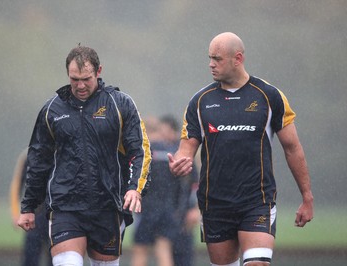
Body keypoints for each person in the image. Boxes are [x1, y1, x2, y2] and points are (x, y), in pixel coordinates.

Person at [167, 32, 314, 266]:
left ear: (238, 58)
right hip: (215, 203)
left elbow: (293, 149)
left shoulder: (270, 96)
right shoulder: (200, 101)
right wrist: (180, 162)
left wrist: (307, 196)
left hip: (257, 200)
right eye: (209, 58)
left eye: (217, 59)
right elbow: (186, 149)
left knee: (257, 262)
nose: (211, 64)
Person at [17, 44, 152, 266]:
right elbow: (38, 161)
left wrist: (134, 188)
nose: (80, 85)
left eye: (86, 79)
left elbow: (139, 150)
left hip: (107, 206)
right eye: (74, 79)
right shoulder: (52, 110)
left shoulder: (120, 104)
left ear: (99, 72)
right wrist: (28, 206)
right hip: (65, 206)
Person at [131, 115, 199, 266]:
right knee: (164, 251)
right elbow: (185, 183)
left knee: (140, 252)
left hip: (146, 210)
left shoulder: (144, 153)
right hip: (168, 210)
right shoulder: (173, 152)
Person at [9, 148, 53, 266]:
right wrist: (15, 213)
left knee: (56, 258)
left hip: (56, 216)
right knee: (31, 257)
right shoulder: (29, 155)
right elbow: (17, 185)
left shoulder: (62, 153)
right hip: (34, 215)